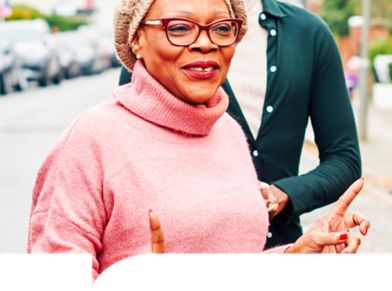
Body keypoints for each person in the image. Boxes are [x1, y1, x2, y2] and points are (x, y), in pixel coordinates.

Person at [28, 0, 369, 279]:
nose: (205, 42)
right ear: (136, 40)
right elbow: (52, 280)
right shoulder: (92, 141)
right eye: (178, 27)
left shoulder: (228, 134)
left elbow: (236, 265)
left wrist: (295, 257)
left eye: (222, 28)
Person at [119, 0, 362, 249]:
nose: (204, 43)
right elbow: (129, 158)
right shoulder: (161, 28)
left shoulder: (308, 32)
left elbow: (345, 159)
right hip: (181, 252)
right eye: (183, 29)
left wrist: (282, 193)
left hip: (285, 252)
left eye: (223, 29)